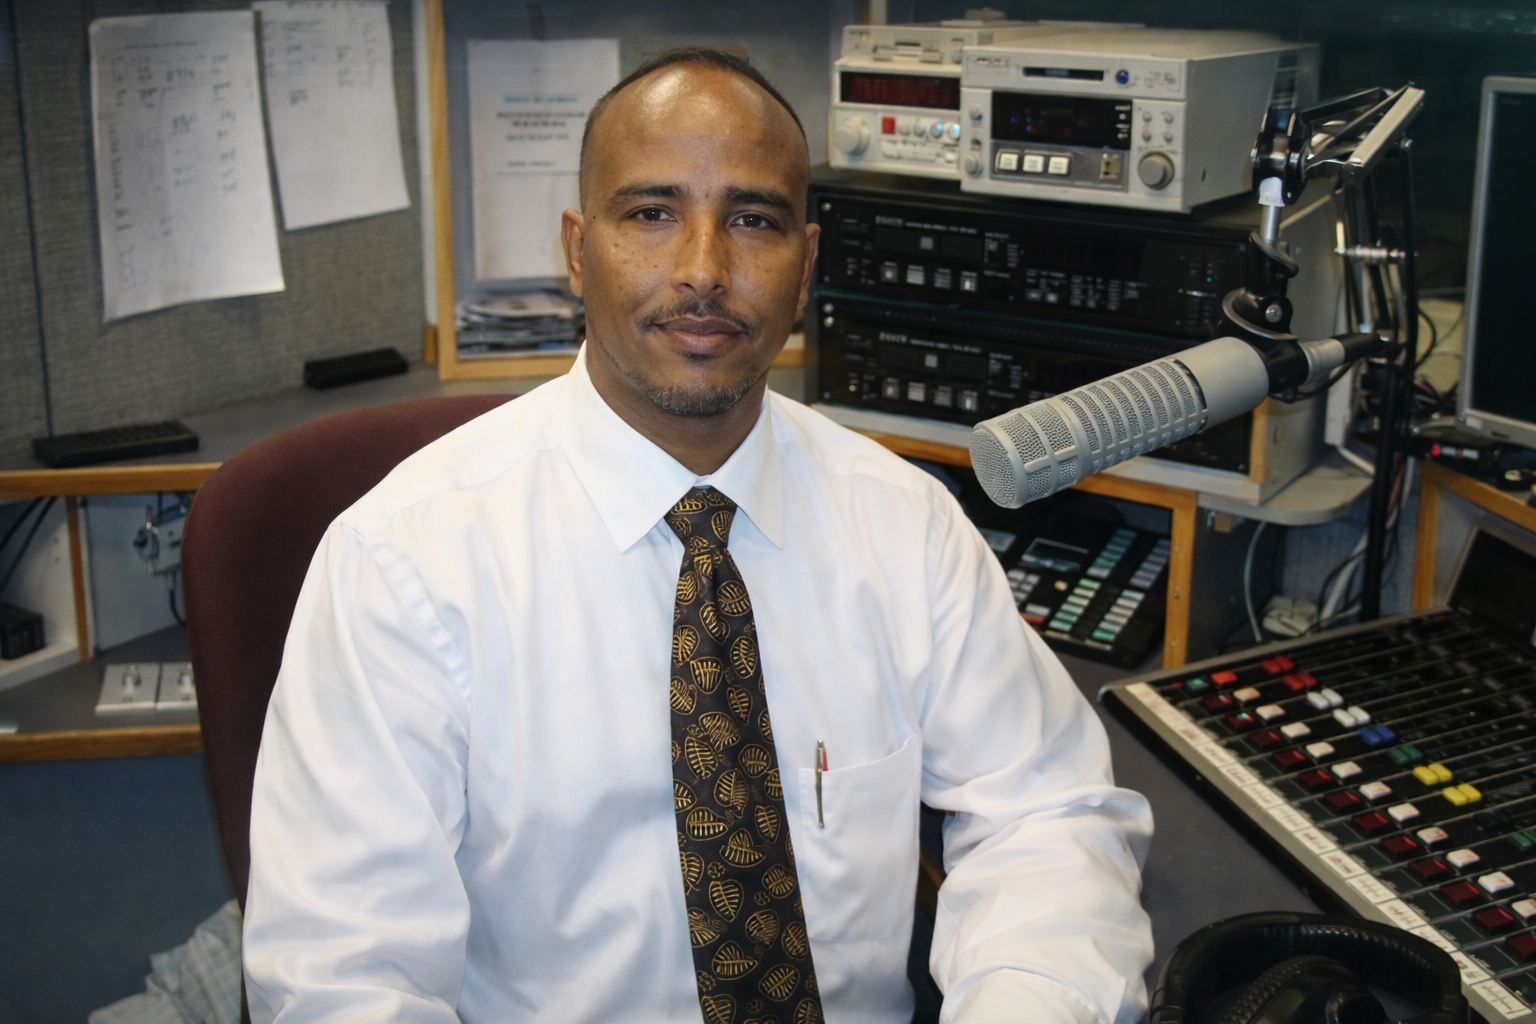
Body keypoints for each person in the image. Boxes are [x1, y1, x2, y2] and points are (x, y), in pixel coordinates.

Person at [243, 48, 1153, 1024]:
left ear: (805, 267)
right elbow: (341, 975)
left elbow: (1048, 813)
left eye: (753, 220)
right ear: (576, 249)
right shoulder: (404, 563)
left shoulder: (904, 525)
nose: (705, 269)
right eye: (651, 213)